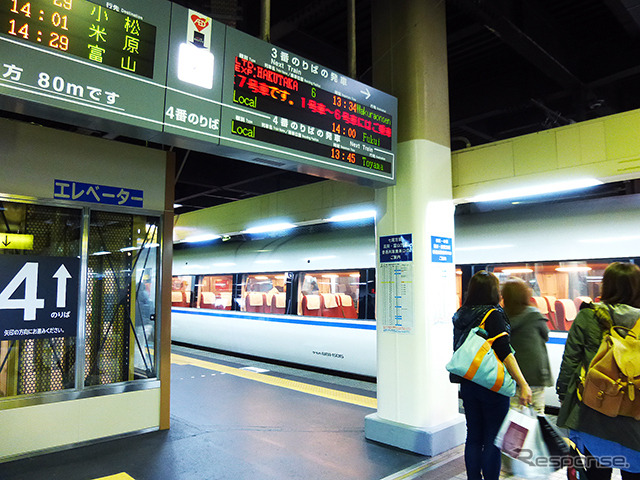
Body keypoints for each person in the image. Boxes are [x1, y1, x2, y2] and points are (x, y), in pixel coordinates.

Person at [556, 262, 640, 479]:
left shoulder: (587, 317)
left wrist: (564, 396)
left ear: (606, 286)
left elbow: (570, 362)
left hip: (593, 413)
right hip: (635, 417)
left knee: (596, 471)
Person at [451, 270, 533, 480]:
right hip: (492, 385)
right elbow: (504, 351)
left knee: (474, 436)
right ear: (494, 291)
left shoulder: (461, 313)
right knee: (493, 437)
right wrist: (522, 383)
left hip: (469, 383)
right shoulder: (493, 314)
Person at [501, 277, 553, 414]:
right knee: (536, 414)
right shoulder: (534, 315)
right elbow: (546, 335)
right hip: (535, 376)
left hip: (511, 375)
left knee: (513, 414)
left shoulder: (501, 318)